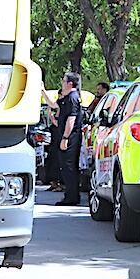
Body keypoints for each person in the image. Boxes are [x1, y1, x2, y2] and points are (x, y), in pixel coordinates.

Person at [54, 73, 84, 206]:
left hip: (71, 137)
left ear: (70, 83)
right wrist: (42, 91)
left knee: (68, 166)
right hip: (68, 136)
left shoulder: (72, 98)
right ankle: (71, 195)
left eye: (64, 81)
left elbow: (71, 119)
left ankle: (71, 197)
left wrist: (65, 138)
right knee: (66, 166)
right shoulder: (68, 97)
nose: (62, 82)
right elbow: (54, 105)